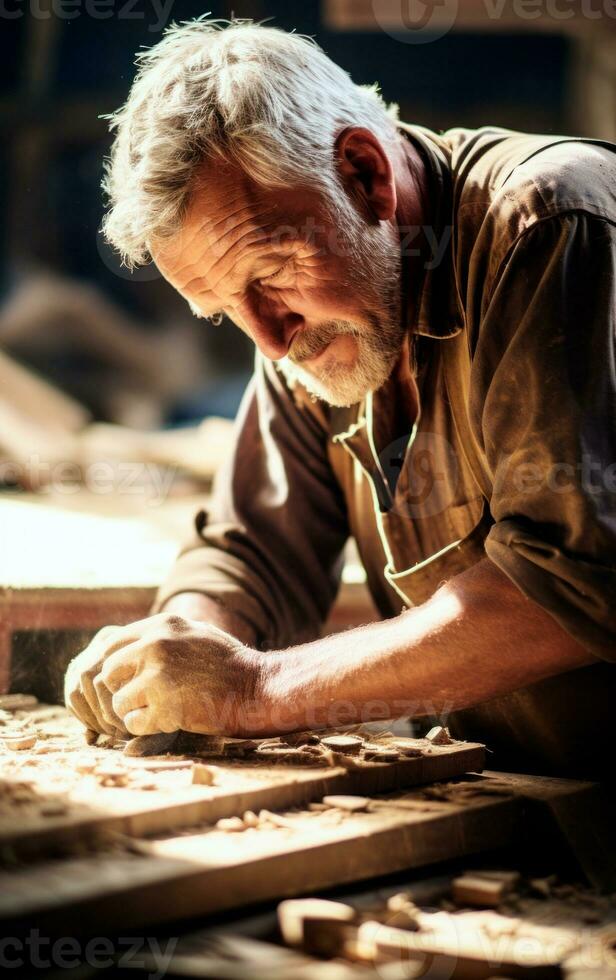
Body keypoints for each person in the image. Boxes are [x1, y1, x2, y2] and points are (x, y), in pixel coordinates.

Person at [65, 19, 616, 777]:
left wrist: (255, 689)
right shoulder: (317, 317)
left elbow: (567, 588)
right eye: (225, 309)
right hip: (518, 801)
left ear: (364, 173)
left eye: (269, 275)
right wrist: (175, 651)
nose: (268, 338)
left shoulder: (552, 227)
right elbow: (254, 551)